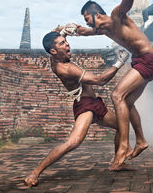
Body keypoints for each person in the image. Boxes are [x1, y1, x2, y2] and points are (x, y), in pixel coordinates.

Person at [74, 0, 153, 171]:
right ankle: (141, 140)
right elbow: (86, 32)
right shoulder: (103, 31)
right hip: (141, 62)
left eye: (87, 19)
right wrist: (70, 31)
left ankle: (123, 145)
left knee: (116, 95)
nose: (88, 23)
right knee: (127, 102)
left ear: (96, 14)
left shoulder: (116, 16)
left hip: (148, 60)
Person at [24, 31, 132, 187]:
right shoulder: (65, 68)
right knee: (73, 142)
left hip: (95, 102)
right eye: (62, 43)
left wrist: (62, 31)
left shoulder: (53, 56)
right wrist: (119, 62)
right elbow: (100, 80)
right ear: (53, 51)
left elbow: (52, 41)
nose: (67, 44)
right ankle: (35, 172)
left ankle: (117, 163)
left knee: (122, 126)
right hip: (85, 105)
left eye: (65, 41)